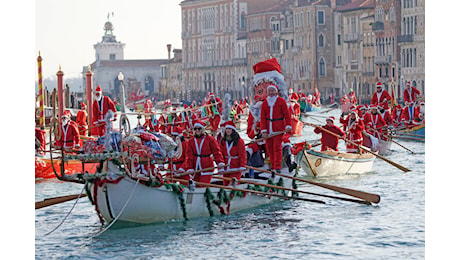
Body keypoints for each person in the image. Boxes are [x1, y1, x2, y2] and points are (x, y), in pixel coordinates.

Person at [260, 84, 292, 173]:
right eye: (269, 91)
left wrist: (288, 125)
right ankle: (273, 165)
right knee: (269, 148)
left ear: (276, 91)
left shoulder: (281, 101)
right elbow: (262, 118)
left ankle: (277, 166)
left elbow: (286, 114)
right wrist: (263, 130)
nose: (271, 93)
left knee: (277, 148)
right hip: (268, 128)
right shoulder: (265, 103)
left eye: (272, 91)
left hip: (278, 128)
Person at [184, 120, 225, 184]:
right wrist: (189, 167)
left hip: (207, 166)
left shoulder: (210, 139)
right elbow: (189, 155)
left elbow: (216, 152)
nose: (197, 130)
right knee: (195, 185)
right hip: (196, 167)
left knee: (203, 185)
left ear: (202, 129)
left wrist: (220, 163)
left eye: (199, 128)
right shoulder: (191, 141)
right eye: (195, 129)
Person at [219, 121, 247, 185]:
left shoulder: (239, 141)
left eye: (229, 129)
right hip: (226, 167)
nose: (228, 131)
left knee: (233, 184)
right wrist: (220, 164)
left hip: (235, 167)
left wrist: (242, 166)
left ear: (233, 130)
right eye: (226, 129)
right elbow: (220, 153)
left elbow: (242, 155)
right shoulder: (223, 141)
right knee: (225, 184)